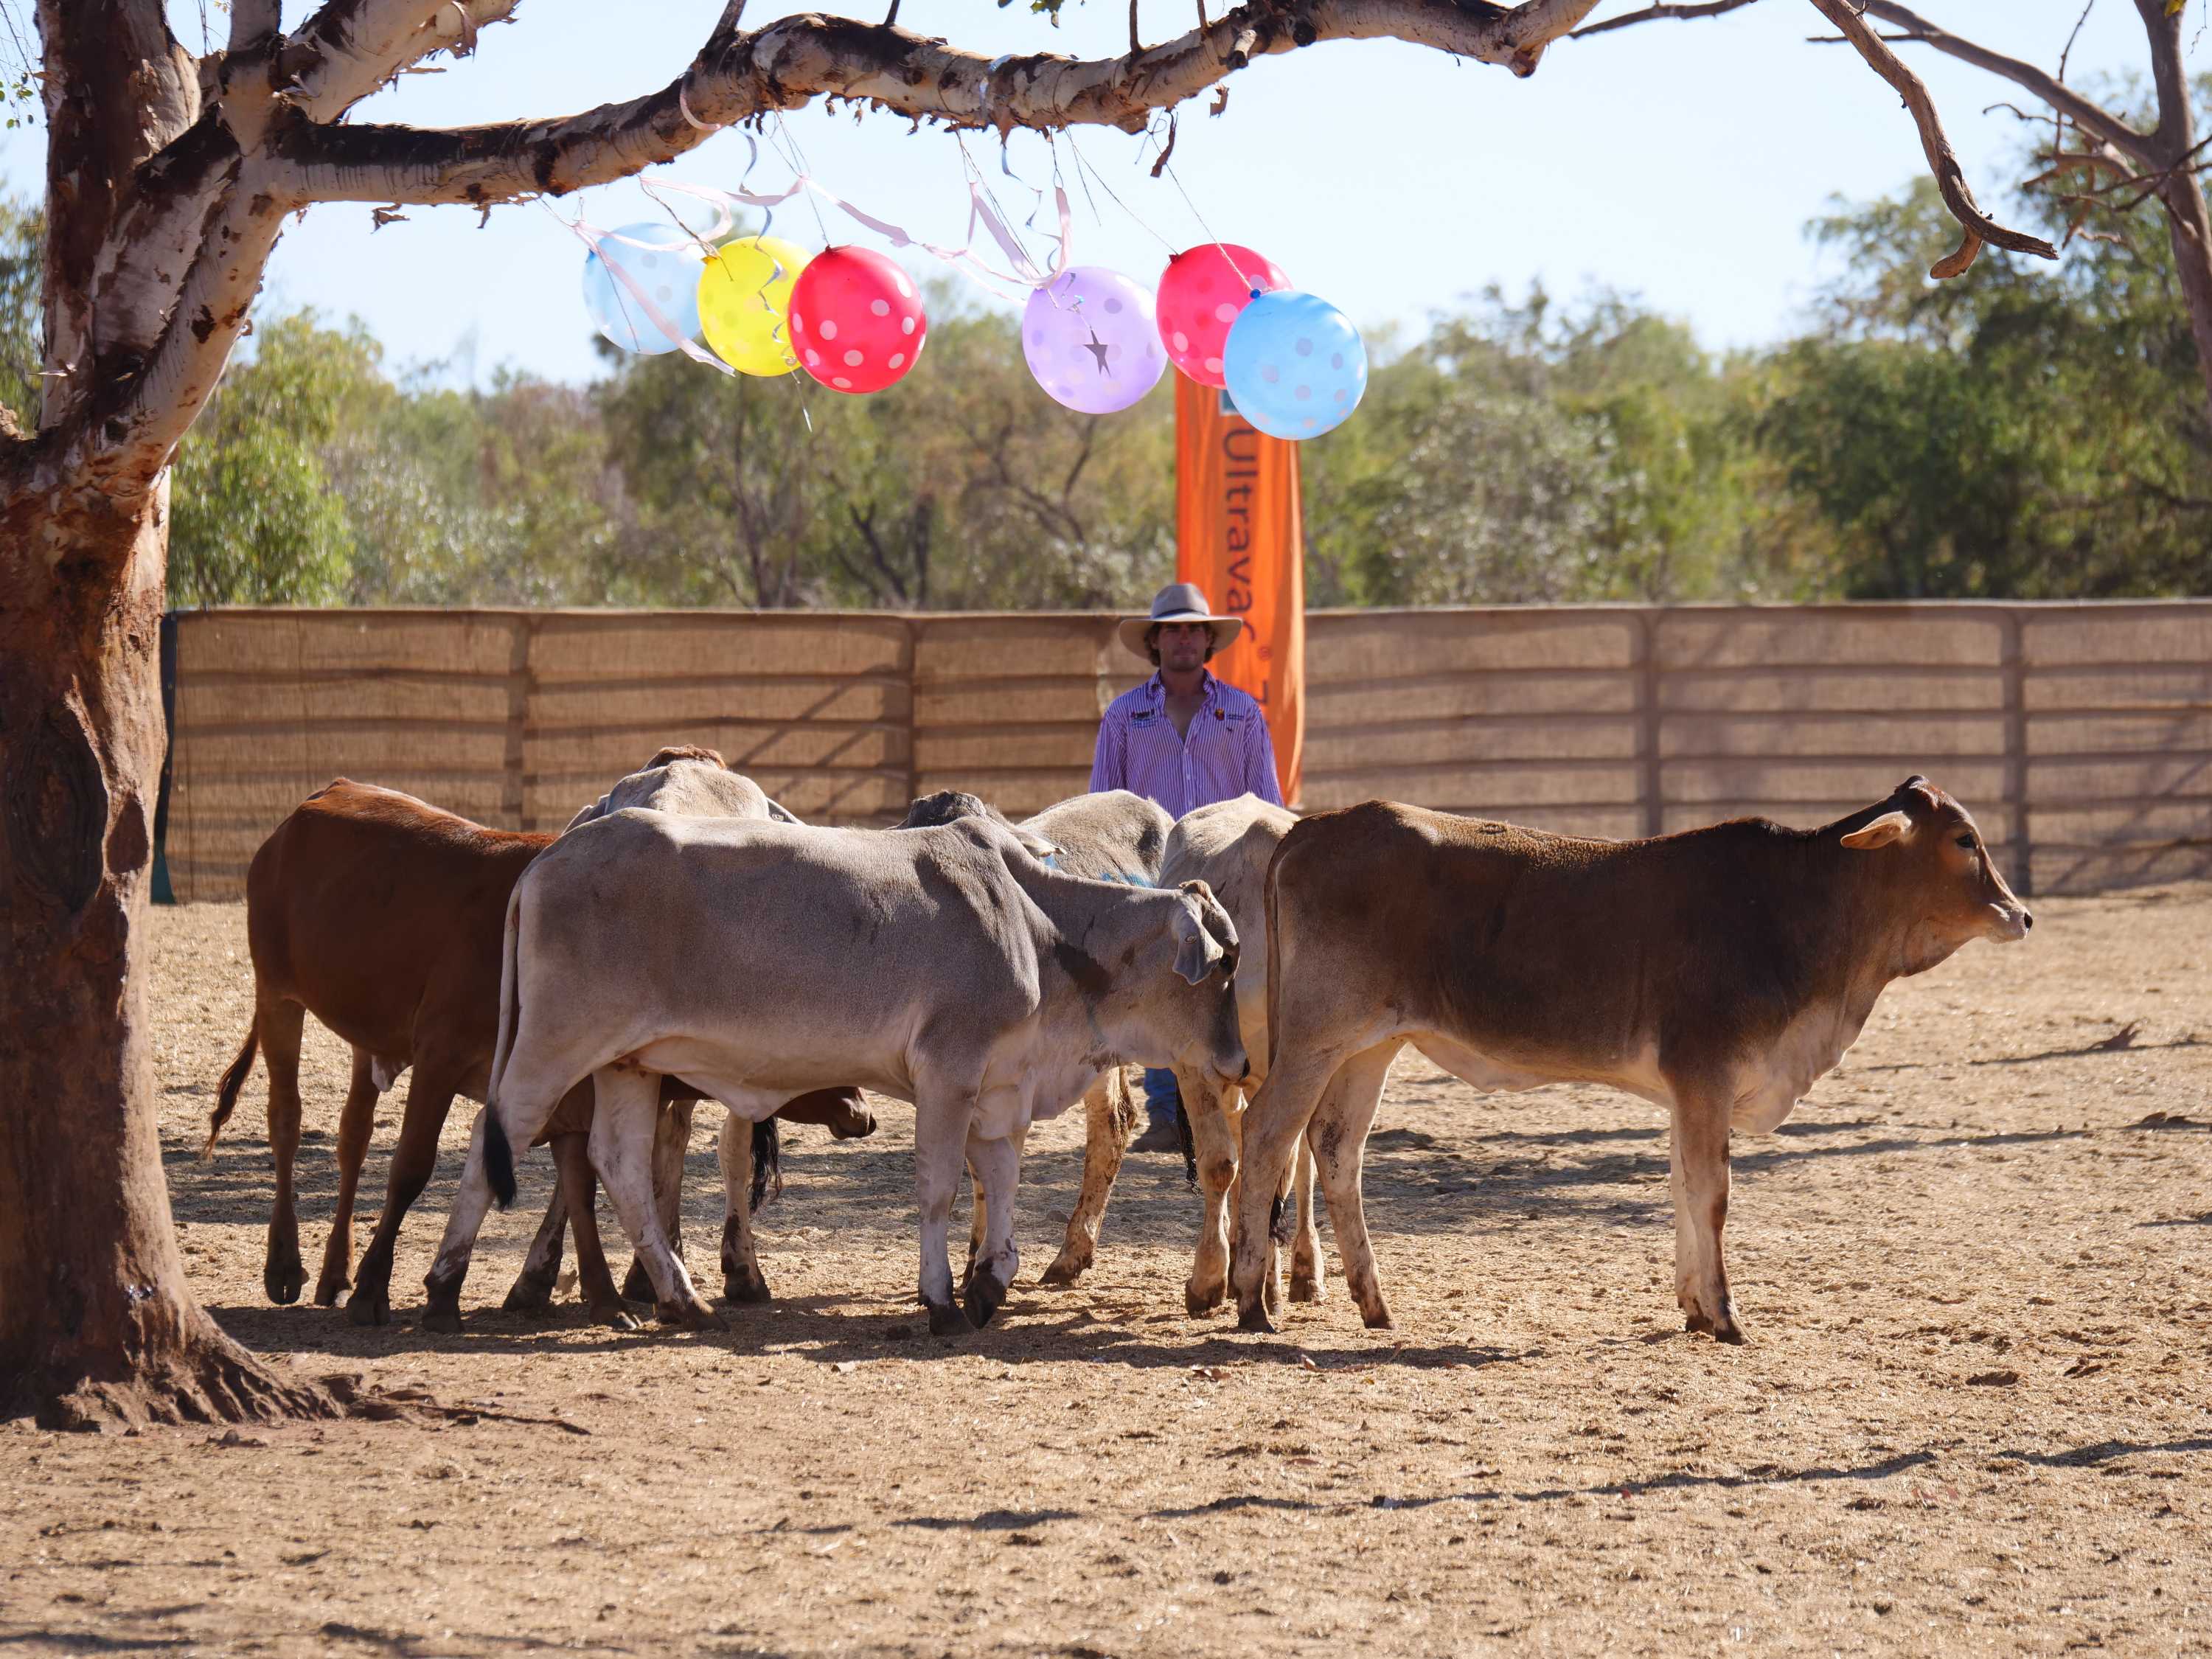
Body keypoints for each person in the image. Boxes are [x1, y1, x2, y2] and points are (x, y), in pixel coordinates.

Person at [1091, 582, 1285, 1152]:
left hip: (1231, 864)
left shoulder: (1240, 713)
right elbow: (1104, 801)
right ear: (1155, 641)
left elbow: (1267, 800)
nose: (1183, 638)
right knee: (1163, 985)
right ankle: (1167, 1113)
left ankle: (1233, 1100)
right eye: (1172, 629)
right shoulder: (1125, 716)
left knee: (1232, 981)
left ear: (1207, 640)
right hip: (1152, 869)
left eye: (1193, 628)